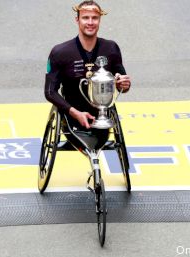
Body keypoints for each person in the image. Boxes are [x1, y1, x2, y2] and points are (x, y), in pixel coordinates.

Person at [44, 1, 131, 150]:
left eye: (94, 18)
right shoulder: (60, 52)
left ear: (100, 20)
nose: (90, 22)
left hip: (103, 117)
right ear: (77, 20)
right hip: (72, 116)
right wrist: (75, 113)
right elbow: (49, 92)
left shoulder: (111, 48)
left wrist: (123, 84)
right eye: (85, 18)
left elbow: (122, 83)